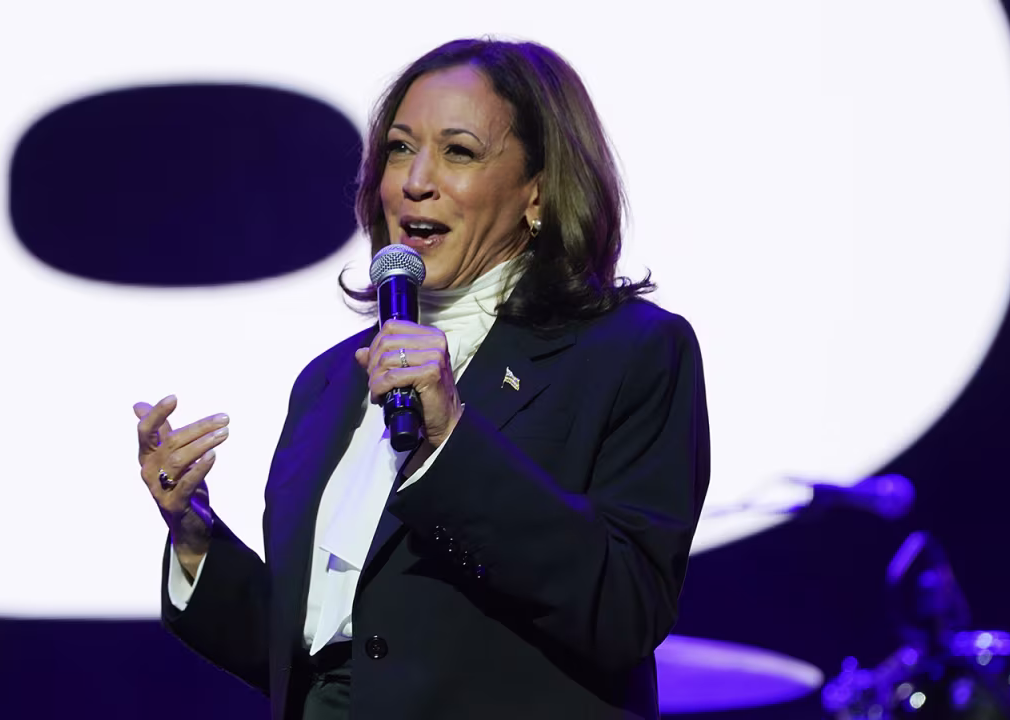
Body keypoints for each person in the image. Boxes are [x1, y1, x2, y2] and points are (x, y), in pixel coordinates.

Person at [133, 38, 710, 720]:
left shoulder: (630, 352)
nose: (415, 181)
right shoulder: (329, 382)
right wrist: (194, 536)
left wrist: (452, 440)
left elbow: (625, 610)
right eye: (401, 148)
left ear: (538, 190)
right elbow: (319, 651)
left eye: (458, 152)